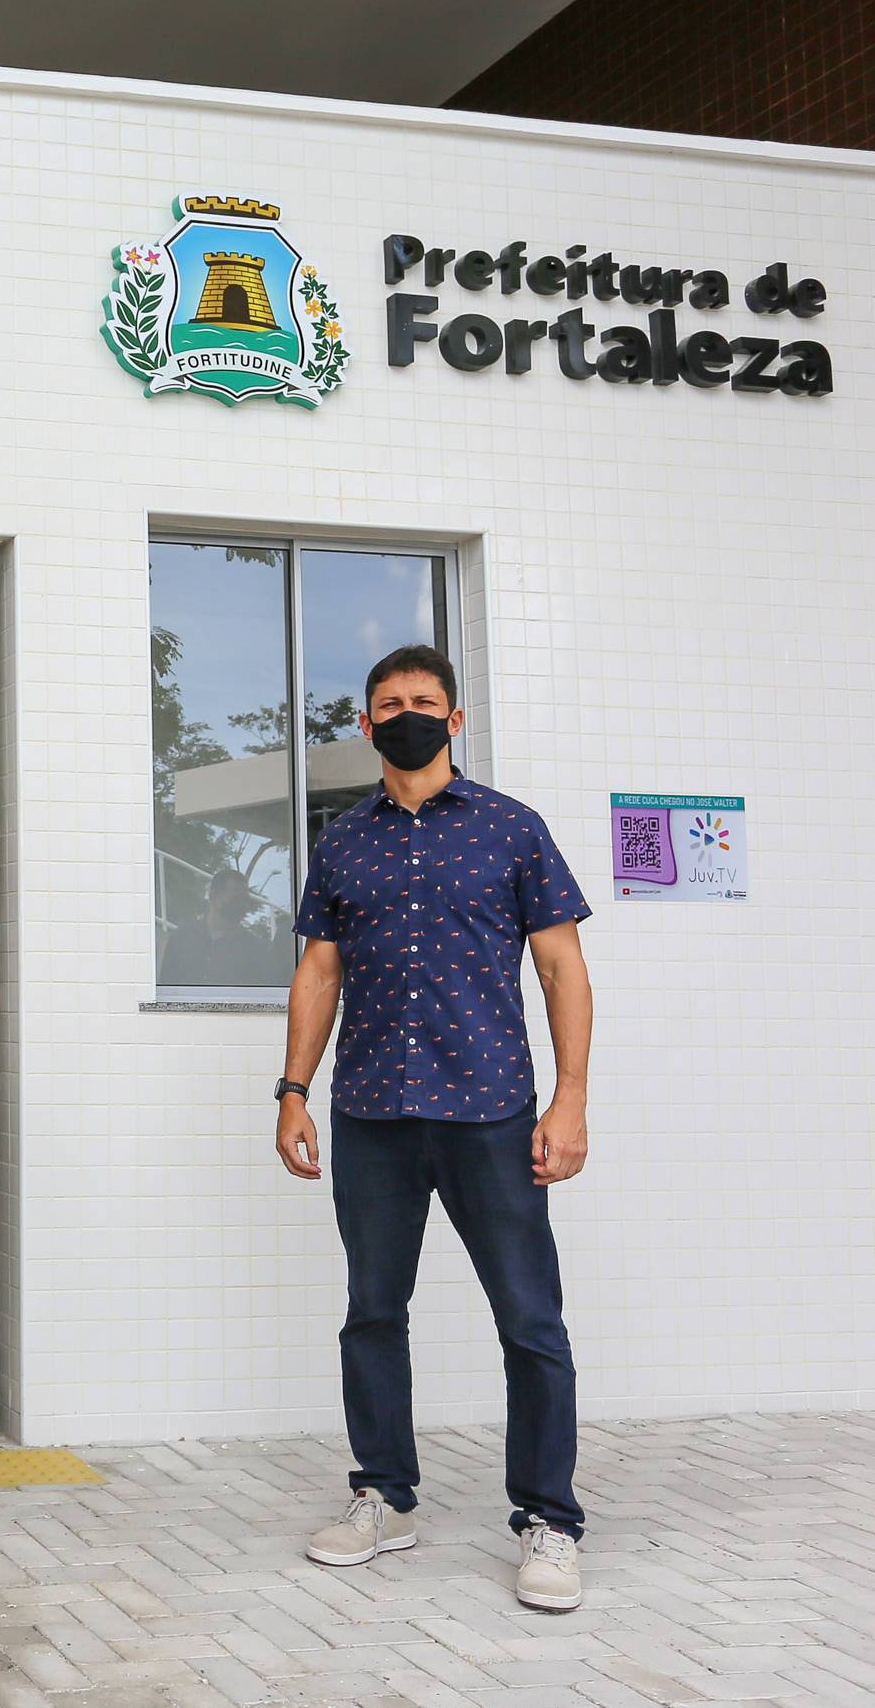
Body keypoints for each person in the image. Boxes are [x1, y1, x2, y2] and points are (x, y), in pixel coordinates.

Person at [273, 644, 596, 1613]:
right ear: (365, 726)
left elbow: (562, 969)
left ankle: (550, 1519)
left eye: (424, 701)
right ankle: (383, 1495)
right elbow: (319, 971)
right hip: (371, 1112)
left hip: (489, 1111)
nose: (406, 713)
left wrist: (570, 1098)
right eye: (388, 703)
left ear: (454, 721)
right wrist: (292, 1089)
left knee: (530, 1321)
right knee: (373, 1312)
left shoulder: (512, 830)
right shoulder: (342, 842)